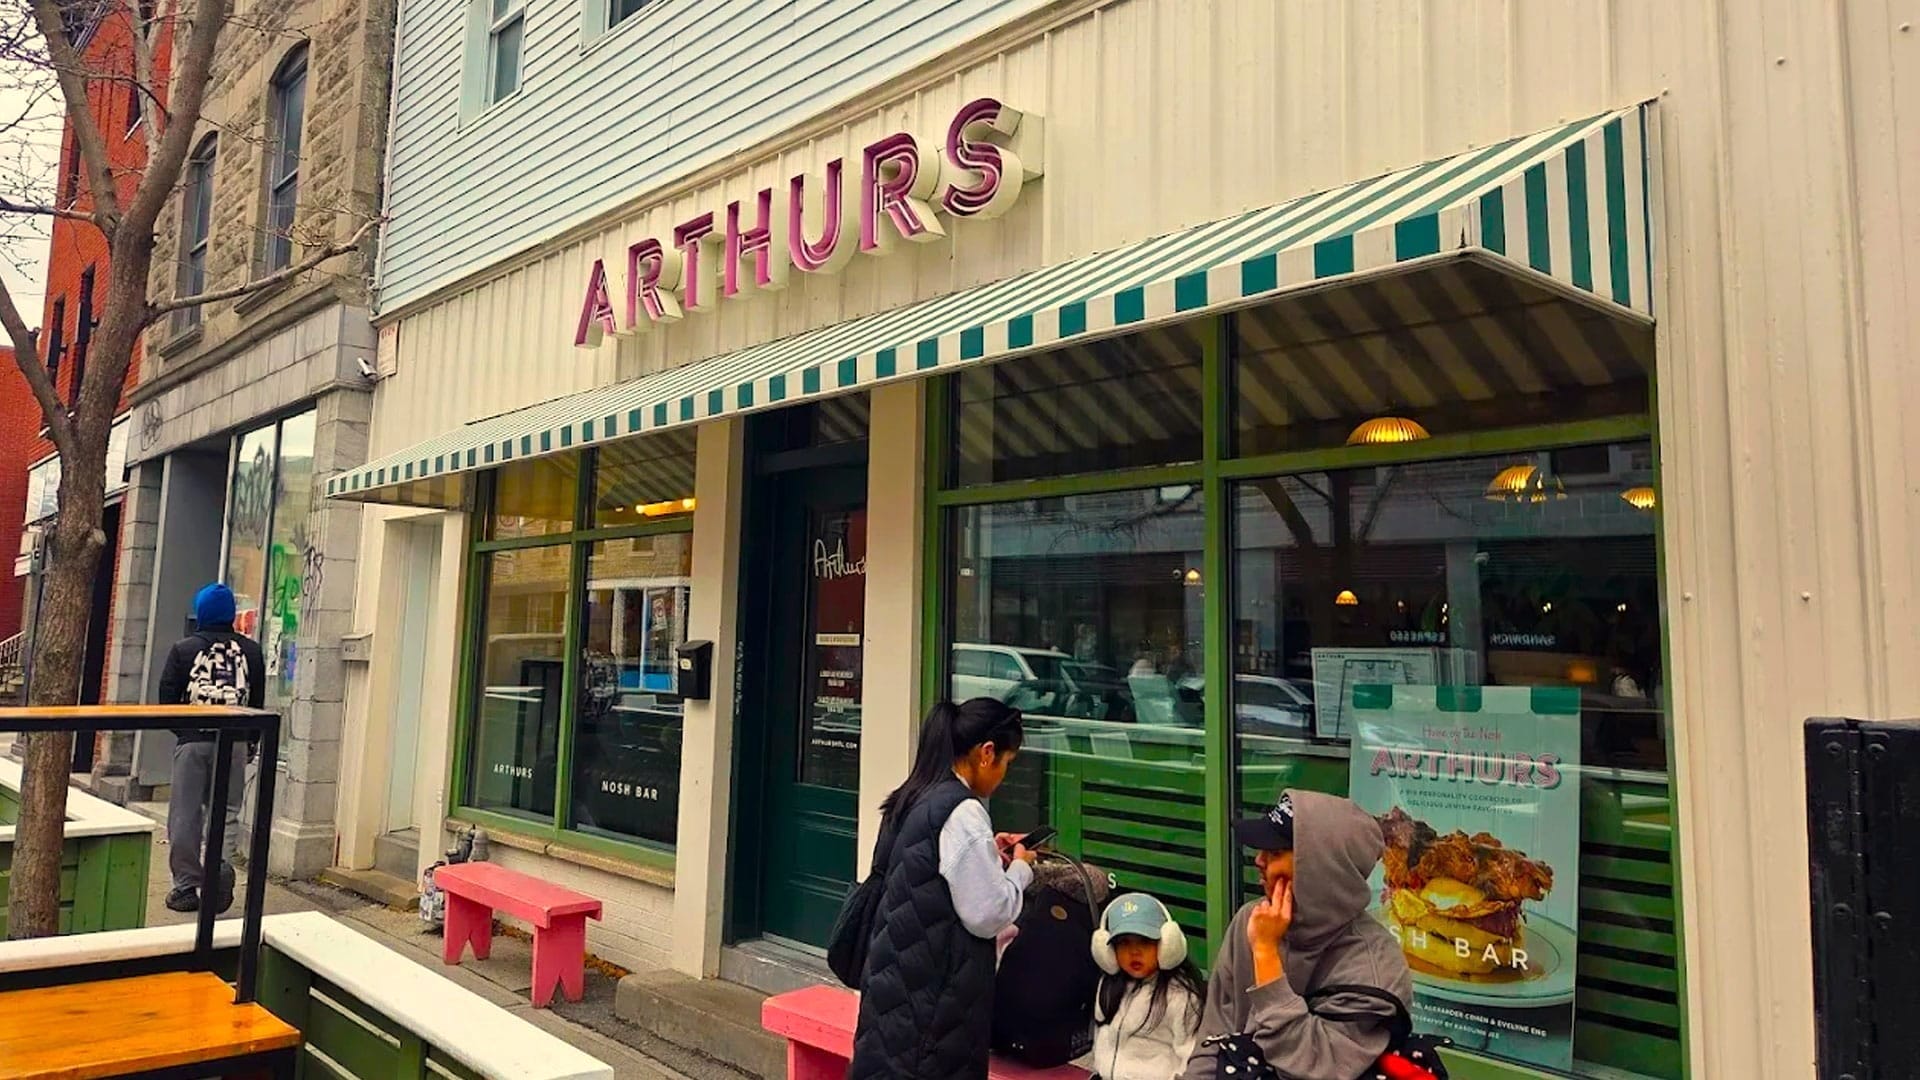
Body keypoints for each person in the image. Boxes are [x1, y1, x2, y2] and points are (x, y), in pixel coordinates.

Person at [849, 698, 1033, 1080]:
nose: (1004, 776)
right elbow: (988, 913)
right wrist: (1021, 869)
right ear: (986, 753)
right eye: (1007, 762)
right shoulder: (963, 812)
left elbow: (931, 870)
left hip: (894, 999)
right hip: (933, 1017)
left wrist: (985, 853)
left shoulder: (918, 793)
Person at [1181, 790, 1412, 1080]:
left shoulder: (1376, 970)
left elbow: (1313, 1067)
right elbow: (1213, 1036)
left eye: (1275, 853)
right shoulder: (1251, 921)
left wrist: (1266, 956)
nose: (1259, 860)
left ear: (1319, 869)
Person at [157, 583, 265, 915]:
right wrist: (250, 740)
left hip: (193, 740)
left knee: (185, 813)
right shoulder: (251, 651)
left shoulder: (183, 649)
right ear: (230, 614)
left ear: (201, 612)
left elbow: (166, 699)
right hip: (234, 741)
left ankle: (185, 886)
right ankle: (219, 869)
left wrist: (186, 731)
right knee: (227, 810)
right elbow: (257, 700)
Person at [1090, 892, 1205, 1080]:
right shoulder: (1109, 985)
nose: (1134, 952)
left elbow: (1191, 1055)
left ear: (1167, 945)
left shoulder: (1179, 995)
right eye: (1124, 943)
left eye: (1145, 941)